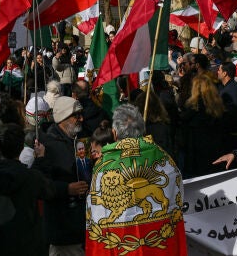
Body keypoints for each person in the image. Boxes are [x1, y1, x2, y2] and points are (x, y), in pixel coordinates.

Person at [86, 103, 186, 254]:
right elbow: (178, 197)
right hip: (161, 247)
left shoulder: (103, 166)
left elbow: (96, 213)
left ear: (114, 133)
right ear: (143, 130)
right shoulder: (164, 157)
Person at [0, 123, 52, 256]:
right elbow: (47, 189)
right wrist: (41, 159)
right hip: (24, 247)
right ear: (22, 148)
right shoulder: (31, 177)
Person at [35, 96, 87, 255]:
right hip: (62, 229)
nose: (81, 119)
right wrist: (67, 189)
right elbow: (40, 185)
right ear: (63, 118)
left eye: (81, 114)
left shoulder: (78, 141)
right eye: (76, 115)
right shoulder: (47, 146)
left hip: (79, 227)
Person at [181, 75, 227, 178]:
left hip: (197, 151)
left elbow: (183, 119)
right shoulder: (216, 103)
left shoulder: (194, 105)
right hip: (215, 148)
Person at [217, 61, 237, 150]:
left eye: (219, 70)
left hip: (232, 136)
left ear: (225, 73)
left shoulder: (232, 90)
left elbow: (234, 112)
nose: (217, 72)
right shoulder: (228, 87)